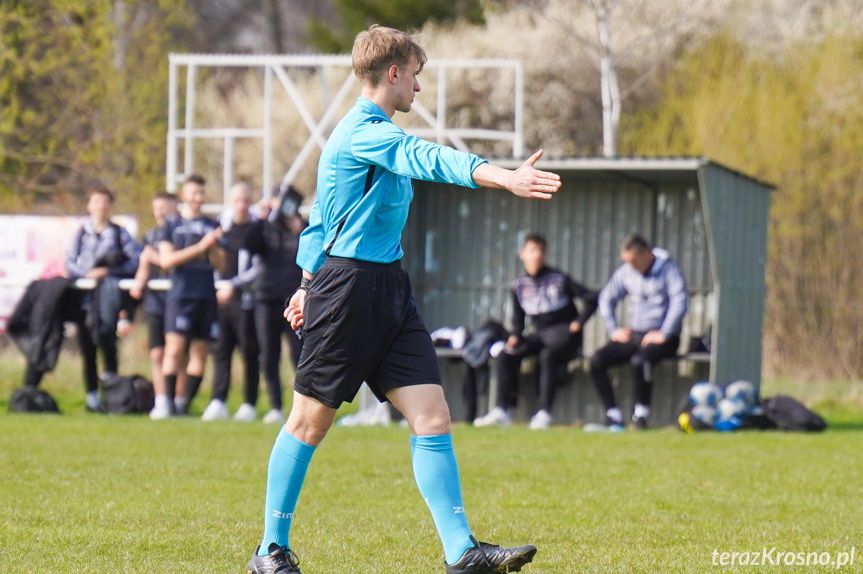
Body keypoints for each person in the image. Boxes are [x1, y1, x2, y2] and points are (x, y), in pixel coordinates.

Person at [246, 25, 560, 574]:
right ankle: (269, 550)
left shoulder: (369, 133)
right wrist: (504, 178)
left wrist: (301, 283)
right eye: (415, 74)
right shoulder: (364, 132)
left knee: (432, 416)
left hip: (389, 290)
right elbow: (426, 158)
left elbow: (320, 217)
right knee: (308, 423)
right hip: (347, 293)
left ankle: (462, 552)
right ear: (393, 73)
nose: (418, 86)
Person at [475, 234, 597, 430]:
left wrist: (579, 322)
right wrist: (515, 335)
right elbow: (518, 320)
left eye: (540, 251)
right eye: (532, 251)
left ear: (545, 254)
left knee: (548, 355)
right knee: (505, 354)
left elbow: (592, 298)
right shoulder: (518, 285)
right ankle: (501, 411)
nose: (536, 255)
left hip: (564, 336)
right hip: (541, 335)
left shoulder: (559, 279)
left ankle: (544, 413)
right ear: (522, 254)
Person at [588, 233, 688, 430]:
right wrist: (614, 329)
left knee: (641, 361)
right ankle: (613, 414)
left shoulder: (669, 270)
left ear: (646, 255)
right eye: (626, 262)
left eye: (633, 261)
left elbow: (680, 302)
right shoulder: (626, 271)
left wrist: (664, 332)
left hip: (664, 338)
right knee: (597, 360)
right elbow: (606, 298)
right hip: (635, 335)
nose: (630, 266)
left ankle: (641, 415)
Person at [65, 186, 140, 411]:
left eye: (105, 201)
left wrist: (109, 272)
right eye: (96, 201)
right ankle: (91, 398)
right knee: (88, 349)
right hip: (84, 299)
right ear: (89, 205)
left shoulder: (119, 233)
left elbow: (133, 261)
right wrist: (86, 274)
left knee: (108, 345)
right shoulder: (80, 233)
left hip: (109, 297)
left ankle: (113, 396)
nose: (101, 206)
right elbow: (69, 262)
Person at [156, 174, 225, 416]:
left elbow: (221, 265)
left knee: (200, 351)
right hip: (180, 295)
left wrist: (213, 247)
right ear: (184, 195)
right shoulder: (171, 225)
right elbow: (166, 260)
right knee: (174, 349)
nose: (198, 198)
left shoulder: (212, 225)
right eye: (194, 193)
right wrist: (199, 248)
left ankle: (185, 404)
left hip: (205, 295)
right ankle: (168, 404)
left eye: (201, 193)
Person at [200, 181, 264, 422]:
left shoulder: (257, 229)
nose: (242, 205)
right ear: (230, 202)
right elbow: (215, 260)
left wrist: (233, 285)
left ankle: (249, 402)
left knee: (249, 352)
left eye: (246, 201)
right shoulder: (221, 229)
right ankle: (218, 400)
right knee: (221, 351)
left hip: (246, 301)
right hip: (221, 300)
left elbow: (258, 268)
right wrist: (220, 286)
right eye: (237, 201)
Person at [252, 186, 307, 425]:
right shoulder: (264, 226)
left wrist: (301, 231)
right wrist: (261, 219)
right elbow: (248, 245)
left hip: (295, 299)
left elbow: (320, 253)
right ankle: (275, 406)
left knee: (299, 355)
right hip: (266, 298)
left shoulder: (302, 226)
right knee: (269, 354)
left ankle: (304, 407)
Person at [129, 191, 187, 420]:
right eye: (157, 208)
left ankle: (179, 400)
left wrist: (162, 258)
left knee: (179, 352)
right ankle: (161, 400)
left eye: (166, 207)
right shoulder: (150, 236)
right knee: (157, 353)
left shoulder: (183, 233)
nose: (161, 212)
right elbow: (143, 268)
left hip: (179, 298)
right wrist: (145, 264)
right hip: (155, 301)